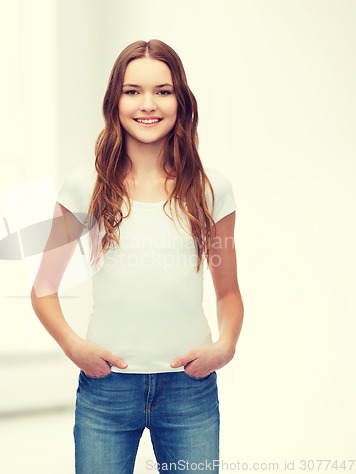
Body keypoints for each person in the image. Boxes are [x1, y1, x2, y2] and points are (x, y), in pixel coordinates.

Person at [31, 39, 244, 474]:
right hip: (106, 390)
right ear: (115, 100)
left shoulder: (211, 189)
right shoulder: (84, 186)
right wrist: (75, 347)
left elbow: (228, 294)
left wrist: (225, 346)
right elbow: (43, 290)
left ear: (181, 100)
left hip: (190, 389)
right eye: (133, 91)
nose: (148, 104)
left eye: (162, 91)